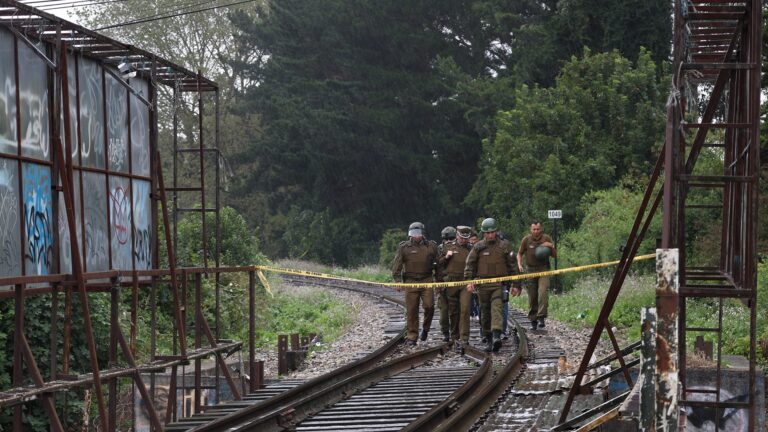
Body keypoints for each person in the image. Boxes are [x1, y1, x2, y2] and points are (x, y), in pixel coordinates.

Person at [464, 218, 520, 352]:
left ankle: (496, 336)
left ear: (496, 232)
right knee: (485, 312)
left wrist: (516, 284)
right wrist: (469, 281)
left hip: (498, 285)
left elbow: (513, 265)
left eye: (492, 232)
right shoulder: (478, 247)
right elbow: (470, 264)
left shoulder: (504, 246)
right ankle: (488, 339)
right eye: (487, 233)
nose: (490, 235)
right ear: (483, 233)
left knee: (497, 308)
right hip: (482, 285)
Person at [392, 221, 438, 345]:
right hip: (411, 281)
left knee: (429, 306)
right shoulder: (404, 247)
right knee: (412, 309)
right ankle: (412, 336)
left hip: (427, 280)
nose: (416, 236)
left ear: (423, 233)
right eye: (414, 233)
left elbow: (439, 264)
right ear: (410, 234)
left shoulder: (431, 246)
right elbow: (397, 265)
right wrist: (397, 280)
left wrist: (439, 281)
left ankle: (426, 328)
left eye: (418, 233)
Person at [517, 220, 557, 330]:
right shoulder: (526, 240)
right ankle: (533, 319)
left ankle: (541, 316)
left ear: (541, 229)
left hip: (544, 269)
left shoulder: (546, 238)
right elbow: (519, 253)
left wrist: (551, 246)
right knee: (532, 295)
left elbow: (554, 255)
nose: (536, 231)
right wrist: (519, 264)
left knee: (543, 292)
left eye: (538, 229)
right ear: (531, 230)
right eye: (534, 229)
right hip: (530, 270)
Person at [437, 225, 472, 344]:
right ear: (457, 236)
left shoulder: (472, 249)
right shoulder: (447, 247)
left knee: (465, 309)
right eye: (461, 238)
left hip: (465, 282)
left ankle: (464, 338)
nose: (463, 240)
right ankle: (454, 336)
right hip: (451, 282)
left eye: (466, 238)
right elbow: (438, 264)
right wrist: (446, 257)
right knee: (453, 311)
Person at [437, 226, 457, 342]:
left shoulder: (459, 248)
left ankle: (455, 333)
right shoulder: (440, 249)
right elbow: (437, 266)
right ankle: (445, 332)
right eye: (447, 239)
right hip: (443, 283)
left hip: (456, 283)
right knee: (443, 311)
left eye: (452, 238)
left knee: (455, 311)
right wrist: (446, 257)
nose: (449, 241)